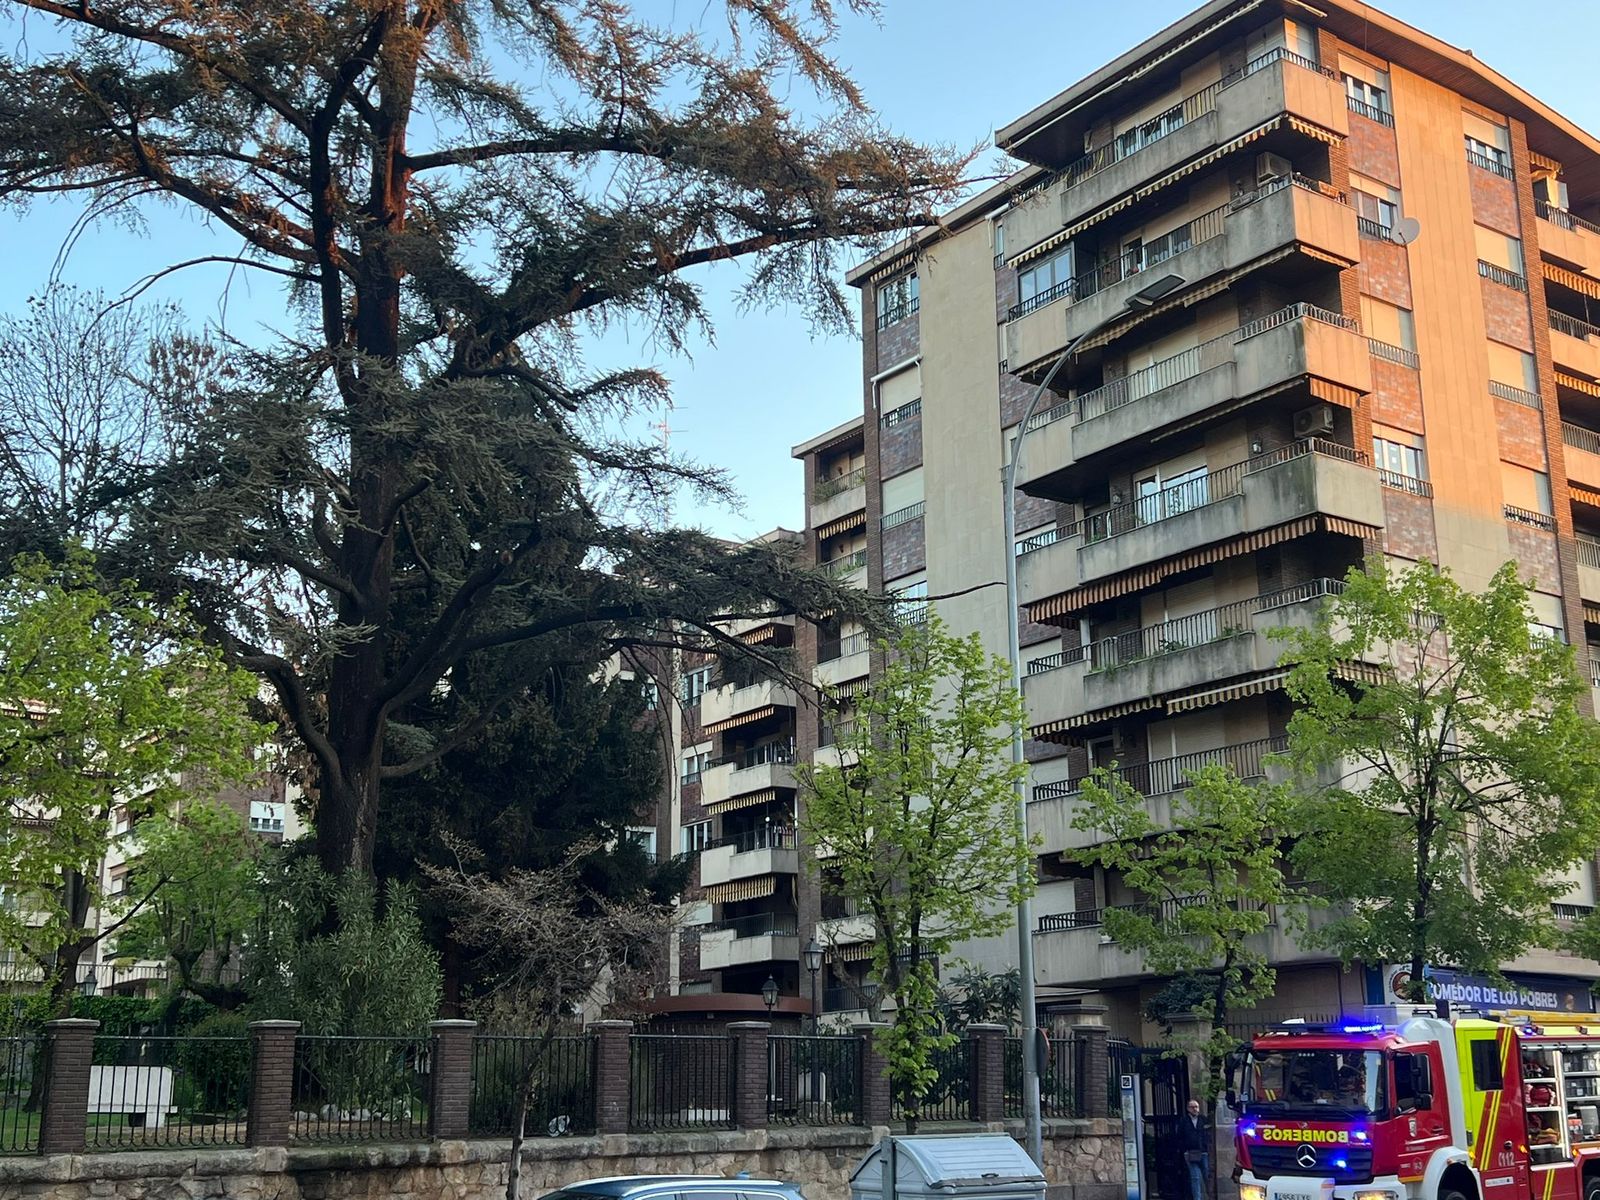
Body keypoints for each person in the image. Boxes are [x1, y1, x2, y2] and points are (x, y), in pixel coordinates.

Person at [1177, 1099, 1210, 1200]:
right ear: (1188, 1109)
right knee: (1195, 1177)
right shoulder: (1183, 1121)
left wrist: (1206, 1146)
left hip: (1203, 1151)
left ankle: (1209, 1196)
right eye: (1192, 1107)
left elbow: (1208, 1134)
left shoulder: (1203, 1119)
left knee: (1207, 1176)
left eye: (1196, 1107)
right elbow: (1180, 1136)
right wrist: (1184, 1151)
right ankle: (1197, 1198)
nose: (1195, 1109)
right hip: (1190, 1152)